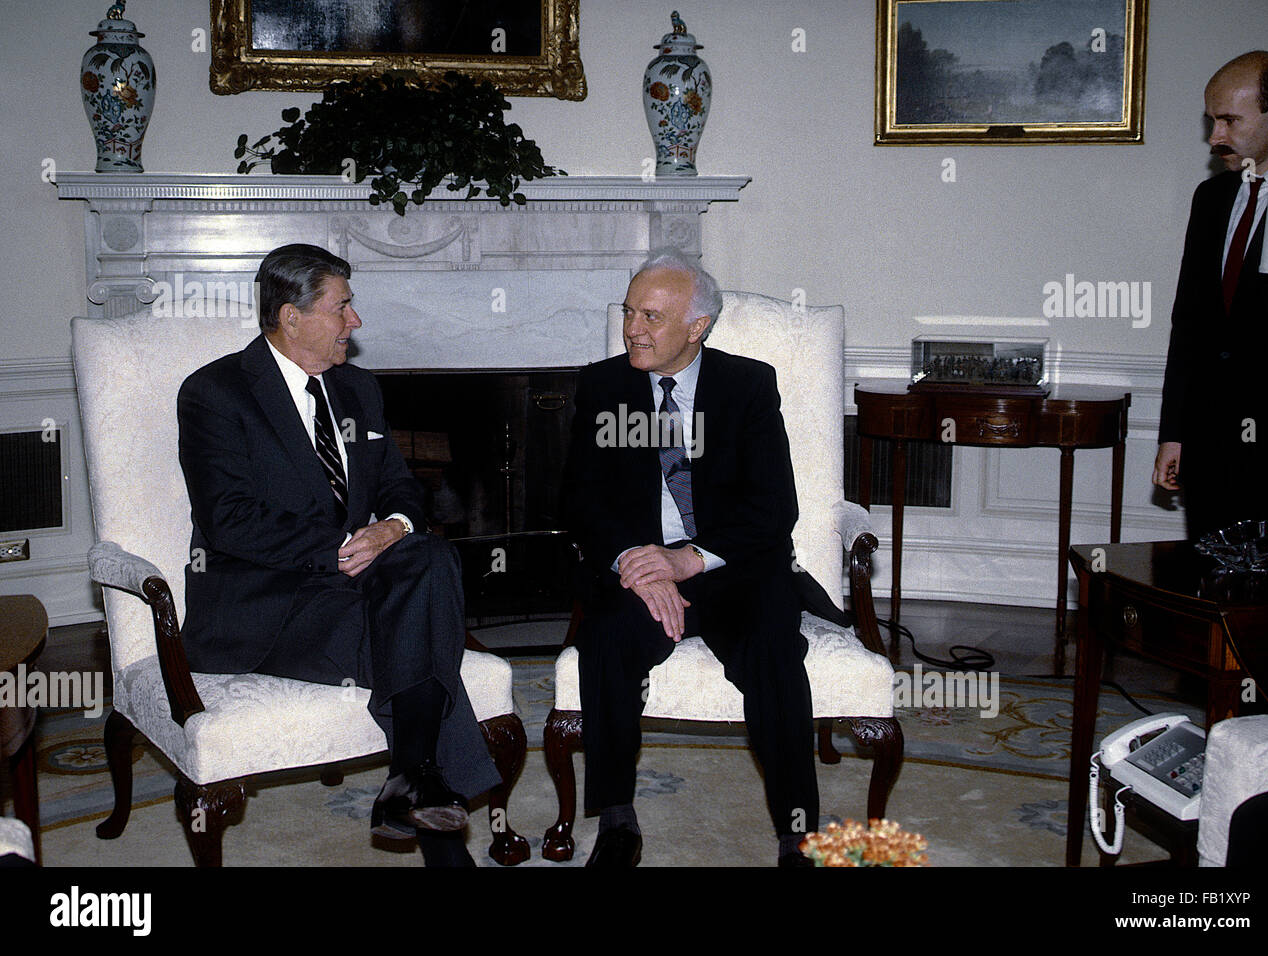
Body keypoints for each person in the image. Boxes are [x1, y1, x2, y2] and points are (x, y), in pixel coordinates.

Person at [177, 243, 498, 866]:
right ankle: (439, 835)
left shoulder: (356, 390)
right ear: (291, 317)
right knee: (420, 628)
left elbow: (401, 486)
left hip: (360, 582)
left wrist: (394, 527)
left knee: (431, 558)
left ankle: (409, 779)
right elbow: (228, 522)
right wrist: (341, 550)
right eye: (343, 307)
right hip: (268, 604)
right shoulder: (216, 393)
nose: (357, 322)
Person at [562, 249, 831, 867]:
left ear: (697, 326)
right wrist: (634, 558)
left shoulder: (747, 386)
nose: (633, 328)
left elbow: (773, 509)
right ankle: (618, 821)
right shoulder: (603, 386)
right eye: (630, 312)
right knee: (605, 643)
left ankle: (796, 832)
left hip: (731, 568)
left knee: (773, 650)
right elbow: (578, 500)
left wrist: (687, 560)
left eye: (652, 317)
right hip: (641, 573)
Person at [1153, 51, 1268, 540]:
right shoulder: (1211, 198)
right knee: (1210, 587)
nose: (1215, 137)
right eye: (1211, 120)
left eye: (1229, 120)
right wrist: (1174, 434)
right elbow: (1189, 323)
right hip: (1210, 444)